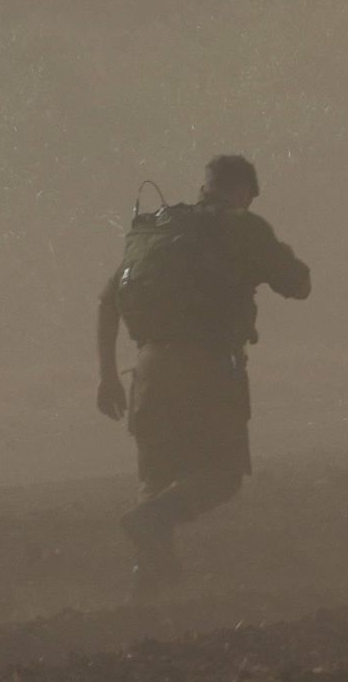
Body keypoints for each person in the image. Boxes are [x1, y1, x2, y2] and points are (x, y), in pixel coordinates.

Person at [95, 153, 312, 596]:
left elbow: (108, 301)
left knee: (154, 480)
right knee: (222, 475)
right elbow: (298, 283)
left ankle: (148, 592)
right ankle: (154, 523)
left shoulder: (159, 231)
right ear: (241, 192)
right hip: (208, 369)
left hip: (149, 370)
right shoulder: (240, 225)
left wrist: (107, 377)